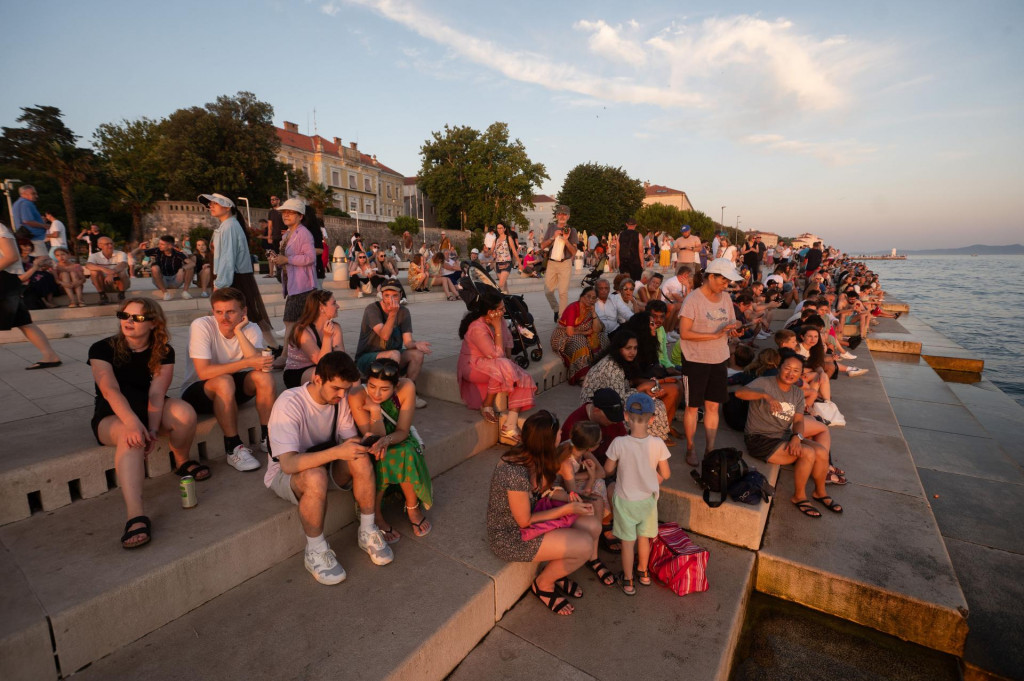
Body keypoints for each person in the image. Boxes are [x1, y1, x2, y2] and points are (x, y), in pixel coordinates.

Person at [266, 351, 392, 585]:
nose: (342, 395)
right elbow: (288, 463)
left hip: (325, 464)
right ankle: (314, 551)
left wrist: (364, 444)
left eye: (346, 389)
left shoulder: (339, 400)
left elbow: (346, 442)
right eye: (336, 389)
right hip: (286, 474)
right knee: (314, 476)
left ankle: (367, 531)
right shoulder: (289, 403)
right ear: (317, 379)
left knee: (359, 457)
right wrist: (337, 452)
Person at [88, 298, 201, 549]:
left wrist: (151, 428)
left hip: (148, 409)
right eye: (124, 315)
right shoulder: (102, 348)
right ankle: (135, 515)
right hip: (112, 414)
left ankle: (182, 462)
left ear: (153, 323)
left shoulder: (163, 350)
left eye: (137, 318)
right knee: (131, 440)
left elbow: (156, 394)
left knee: (185, 413)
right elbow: (110, 390)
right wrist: (132, 423)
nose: (128, 321)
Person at [486, 411, 607, 616]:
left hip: (535, 515)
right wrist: (567, 508)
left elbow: (545, 491)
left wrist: (570, 498)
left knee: (594, 526)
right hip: (512, 536)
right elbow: (524, 521)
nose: (562, 433)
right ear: (546, 441)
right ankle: (544, 584)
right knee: (585, 546)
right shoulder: (513, 471)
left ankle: (557, 571)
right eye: (558, 432)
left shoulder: (539, 456)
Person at [734, 352, 842, 519]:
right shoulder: (765, 383)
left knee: (821, 451)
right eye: (787, 368)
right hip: (759, 439)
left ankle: (820, 492)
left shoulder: (797, 393)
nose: (791, 373)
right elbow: (739, 393)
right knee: (808, 452)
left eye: (796, 371)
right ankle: (799, 496)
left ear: (800, 374)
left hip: (782, 436)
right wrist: (765, 396)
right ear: (779, 368)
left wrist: (796, 437)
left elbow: (799, 421)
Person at [180, 287, 277, 471]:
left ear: (244, 312)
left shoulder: (251, 328)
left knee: (264, 378)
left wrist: (239, 331)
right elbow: (204, 372)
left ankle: (268, 437)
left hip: (230, 388)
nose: (224, 318)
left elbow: (259, 366)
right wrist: (246, 362)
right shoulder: (201, 326)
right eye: (219, 312)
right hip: (198, 391)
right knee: (224, 381)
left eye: (231, 312)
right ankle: (233, 448)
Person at [349, 358, 433, 543]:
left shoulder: (407, 387)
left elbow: (403, 431)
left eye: (384, 389)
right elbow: (373, 438)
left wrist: (387, 439)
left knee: (405, 452)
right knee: (384, 455)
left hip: (398, 437)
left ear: (395, 387)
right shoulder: (356, 395)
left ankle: (412, 507)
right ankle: (376, 514)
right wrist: (376, 411)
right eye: (371, 386)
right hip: (373, 444)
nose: (376, 393)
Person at [678, 258, 744, 466]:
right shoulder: (693, 300)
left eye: (728, 282)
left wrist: (736, 326)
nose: (726, 285)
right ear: (711, 277)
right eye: (724, 281)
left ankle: (709, 448)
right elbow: (685, 333)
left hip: (719, 358)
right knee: (692, 407)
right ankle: (690, 447)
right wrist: (714, 335)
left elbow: (735, 320)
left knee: (713, 406)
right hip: (695, 359)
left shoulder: (725, 299)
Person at [604, 393, 672, 595]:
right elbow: (666, 474)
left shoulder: (618, 442)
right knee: (644, 539)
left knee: (627, 544)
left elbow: (608, 470)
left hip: (625, 501)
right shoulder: (657, 444)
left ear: (626, 416)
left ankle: (628, 581)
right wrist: (654, 479)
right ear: (652, 419)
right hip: (648, 502)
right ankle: (643, 573)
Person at [457, 287, 537, 445]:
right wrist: (498, 328)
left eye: (503, 307)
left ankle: (510, 426)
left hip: (493, 364)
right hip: (471, 366)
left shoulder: (498, 320)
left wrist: (510, 360)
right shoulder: (477, 328)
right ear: (489, 311)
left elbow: (507, 343)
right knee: (503, 366)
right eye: (500, 309)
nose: (503, 311)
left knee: (524, 378)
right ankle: (487, 404)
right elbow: (496, 355)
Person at [200, 192, 278, 349]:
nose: (211, 207)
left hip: (233, 278)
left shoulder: (229, 226)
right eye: (210, 204)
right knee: (247, 312)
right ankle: (272, 346)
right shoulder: (229, 225)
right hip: (234, 276)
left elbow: (228, 258)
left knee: (243, 313)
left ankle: (270, 347)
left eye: (215, 203)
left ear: (227, 207)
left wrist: (220, 284)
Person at [581, 329, 671, 441]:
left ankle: (651, 443)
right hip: (601, 409)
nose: (632, 352)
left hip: (611, 403)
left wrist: (643, 392)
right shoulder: (612, 367)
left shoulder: (617, 361)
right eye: (628, 348)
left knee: (656, 403)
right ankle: (645, 444)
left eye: (635, 348)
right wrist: (641, 388)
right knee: (653, 409)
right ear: (619, 348)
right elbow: (619, 401)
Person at [354, 279, 431, 407]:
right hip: (368, 358)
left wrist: (416, 344)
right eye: (387, 296)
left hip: (393, 356)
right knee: (394, 354)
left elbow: (407, 342)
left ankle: (407, 392)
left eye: (395, 295)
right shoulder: (372, 309)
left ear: (401, 295)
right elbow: (384, 335)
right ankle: (390, 396)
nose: (391, 299)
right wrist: (392, 314)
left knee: (417, 355)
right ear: (382, 296)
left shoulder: (404, 312)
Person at [0, 221, 61, 369]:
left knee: (24, 322)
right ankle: (50, 355)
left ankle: (50, 355)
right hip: (6, 280)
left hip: (5, 280)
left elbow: (12, 256)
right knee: (23, 322)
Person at [269, 198, 317, 358]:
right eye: (284, 212)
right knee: (297, 322)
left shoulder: (303, 233)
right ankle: (297, 354)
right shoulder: (289, 234)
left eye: (290, 212)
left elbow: (310, 257)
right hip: (293, 284)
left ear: (300, 215)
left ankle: (285, 356)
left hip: (303, 285)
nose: (286, 215)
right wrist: (279, 259)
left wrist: (287, 260)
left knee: (290, 321)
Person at [284, 289, 344, 389]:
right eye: (334, 303)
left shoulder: (335, 327)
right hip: (298, 371)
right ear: (321, 308)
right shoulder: (302, 330)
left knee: (352, 377)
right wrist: (327, 337)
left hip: (328, 368)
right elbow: (321, 362)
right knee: (326, 378)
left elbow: (341, 356)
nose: (338, 306)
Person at [551, 286, 609, 385]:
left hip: (580, 334)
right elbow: (569, 332)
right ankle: (581, 375)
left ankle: (601, 369)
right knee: (580, 341)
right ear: (581, 297)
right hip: (562, 336)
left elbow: (597, 329)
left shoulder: (590, 310)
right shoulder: (573, 307)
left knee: (601, 337)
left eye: (594, 298)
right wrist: (585, 333)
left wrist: (594, 313)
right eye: (588, 296)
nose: (590, 299)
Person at [541, 206, 577, 321]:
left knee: (563, 293)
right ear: (556, 216)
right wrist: (553, 237)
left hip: (565, 263)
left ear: (568, 216)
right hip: (551, 263)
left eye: (565, 214)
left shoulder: (572, 230)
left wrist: (566, 239)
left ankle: (562, 319)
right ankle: (556, 309)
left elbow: (574, 252)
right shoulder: (551, 228)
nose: (562, 216)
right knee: (548, 291)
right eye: (560, 214)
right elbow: (542, 246)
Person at [145, 235, 195, 301]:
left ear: (170, 246)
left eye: (162, 244)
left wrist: (182, 269)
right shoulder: (157, 251)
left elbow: (192, 263)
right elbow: (143, 252)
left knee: (190, 268)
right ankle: (165, 293)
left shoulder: (178, 254)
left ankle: (185, 292)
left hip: (175, 280)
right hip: (162, 280)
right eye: (159, 244)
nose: (159, 245)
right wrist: (140, 248)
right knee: (155, 267)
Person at [85, 236, 131, 305]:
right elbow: (88, 265)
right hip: (103, 283)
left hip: (120, 283)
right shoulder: (94, 256)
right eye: (107, 244)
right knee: (94, 272)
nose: (110, 246)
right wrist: (102, 268)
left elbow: (123, 264)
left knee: (121, 272)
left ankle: (121, 295)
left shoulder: (120, 254)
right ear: (100, 246)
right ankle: (102, 295)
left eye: (111, 243)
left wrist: (111, 273)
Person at [17, 240, 60, 309]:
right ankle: (44, 301)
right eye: (25, 246)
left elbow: (41, 267)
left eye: (29, 246)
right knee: (37, 279)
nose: (28, 247)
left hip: (36, 274)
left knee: (47, 276)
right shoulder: (17, 260)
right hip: (26, 277)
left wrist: (46, 266)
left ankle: (50, 300)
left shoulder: (33, 258)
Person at [12, 185, 49, 257]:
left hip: (27, 238)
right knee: (43, 260)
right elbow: (27, 221)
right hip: (34, 238)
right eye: (33, 193)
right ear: (24, 194)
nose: (36, 196)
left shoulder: (17, 203)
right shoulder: (26, 203)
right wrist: (44, 225)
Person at [492, 223, 520, 292]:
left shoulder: (508, 238)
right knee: (504, 286)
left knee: (500, 285)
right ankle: (509, 300)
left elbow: (514, 251)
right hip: (498, 264)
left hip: (507, 263)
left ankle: (498, 301)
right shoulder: (496, 240)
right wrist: (491, 253)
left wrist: (520, 263)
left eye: (501, 228)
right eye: (498, 228)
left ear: (504, 229)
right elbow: (491, 251)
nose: (499, 229)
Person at [617, 218, 643, 282]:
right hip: (635, 262)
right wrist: (642, 263)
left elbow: (617, 251)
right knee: (635, 283)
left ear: (626, 224)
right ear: (636, 225)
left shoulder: (620, 235)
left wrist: (618, 264)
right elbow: (641, 251)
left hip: (623, 262)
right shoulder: (639, 235)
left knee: (625, 283)